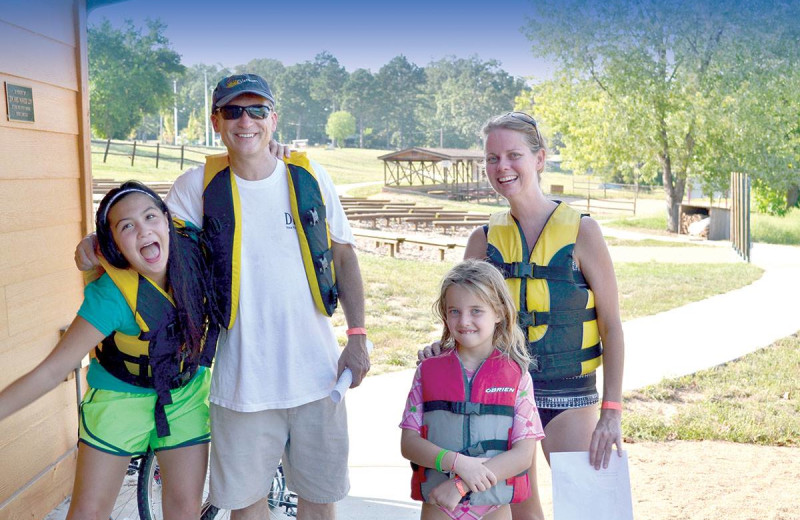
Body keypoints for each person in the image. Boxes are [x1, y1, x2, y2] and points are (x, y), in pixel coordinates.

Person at [76, 73, 368, 520]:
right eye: (232, 110)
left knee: (319, 500)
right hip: (239, 382)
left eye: (257, 110)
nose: (244, 121)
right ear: (216, 120)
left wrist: (358, 335)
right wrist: (97, 250)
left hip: (316, 376)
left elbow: (344, 257)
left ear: (274, 118)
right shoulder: (197, 187)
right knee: (245, 506)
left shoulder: (309, 176)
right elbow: (149, 240)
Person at [420, 111, 625, 520]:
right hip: (503, 393)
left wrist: (611, 413)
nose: (502, 167)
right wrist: (441, 347)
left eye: (513, 155)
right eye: (492, 158)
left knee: (591, 508)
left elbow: (612, 326)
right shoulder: (483, 239)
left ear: (540, 159)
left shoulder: (584, 232)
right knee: (521, 511)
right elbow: (463, 318)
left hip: (569, 394)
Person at [1, 181, 217, 519]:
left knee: (185, 508)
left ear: (167, 220)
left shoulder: (195, 254)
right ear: (112, 244)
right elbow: (52, 370)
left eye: (150, 217)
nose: (143, 230)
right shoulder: (111, 295)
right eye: (126, 226)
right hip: (120, 396)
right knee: (89, 511)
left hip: (184, 393)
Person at [401, 259, 545, 520]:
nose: (464, 320)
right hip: (439, 505)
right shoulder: (427, 371)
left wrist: (461, 483)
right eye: (454, 311)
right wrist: (457, 463)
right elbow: (409, 444)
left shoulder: (518, 376)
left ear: (499, 312)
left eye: (476, 310)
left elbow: (524, 455)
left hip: (493, 508)